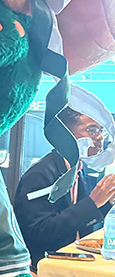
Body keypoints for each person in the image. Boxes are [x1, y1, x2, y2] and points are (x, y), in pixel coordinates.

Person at [14, 106, 115, 268]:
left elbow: (80, 219)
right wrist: (93, 202)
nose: (99, 137)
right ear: (65, 134)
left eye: (101, 131)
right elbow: (37, 232)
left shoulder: (78, 169)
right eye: (92, 130)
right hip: (46, 266)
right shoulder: (40, 174)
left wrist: (106, 201)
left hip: (76, 260)